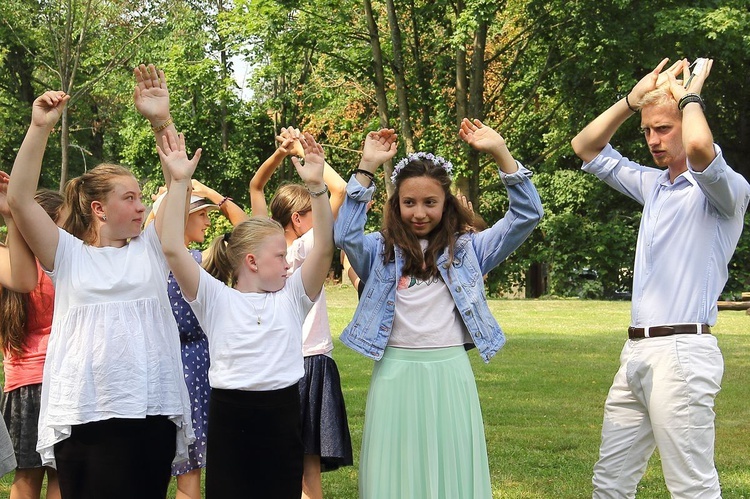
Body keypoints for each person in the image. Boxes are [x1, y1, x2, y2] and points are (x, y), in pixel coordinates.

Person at [571, 57, 750, 498]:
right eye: (648, 130)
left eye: (664, 128)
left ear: (687, 122)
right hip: (635, 352)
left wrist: (689, 96)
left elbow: (703, 151)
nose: (653, 139)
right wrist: (633, 101)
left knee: (691, 486)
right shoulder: (653, 185)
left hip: (683, 353)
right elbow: (586, 147)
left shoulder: (727, 190)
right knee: (610, 483)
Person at [335, 120, 544, 498]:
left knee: (451, 469)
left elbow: (526, 215)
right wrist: (366, 168)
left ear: (445, 204)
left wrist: (502, 153)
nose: (419, 212)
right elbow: (344, 234)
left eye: (430, 202)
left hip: (450, 373)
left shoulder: (469, 251)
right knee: (395, 473)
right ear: (396, 206)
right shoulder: (377, 251)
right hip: (395, 373)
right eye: (409, 202)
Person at [7, 90, 193, 499]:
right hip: (85, 414)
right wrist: (40, 127)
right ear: (99, 209)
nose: (142, 207)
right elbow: (19, 200)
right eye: (130, 198)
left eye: (142, 197)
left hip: (152, 410)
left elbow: (177, 178)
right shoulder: (68, 255)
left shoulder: (154, 249)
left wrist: (161, 121)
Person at [157, 128, 334, 498]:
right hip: (230, 419)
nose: (288, 265)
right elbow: (172, 246)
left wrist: (317, 188)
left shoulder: (292, 297)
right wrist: (179, 182)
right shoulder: (214, 298)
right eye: (280, 257)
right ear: (251, 261)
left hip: (282, 416)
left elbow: (323, 250)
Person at [250, 127, 353, 499]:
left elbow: (255, 189)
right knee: (309, 475)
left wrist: (281, 154)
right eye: (312, 213)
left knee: (279, 465)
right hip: (309, 364)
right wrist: (307, 159)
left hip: (273, 363)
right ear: (298, 219)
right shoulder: (306, 247)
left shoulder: (264, 248)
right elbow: (341, 191)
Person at [0, 175, 62, 499]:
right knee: (61, 476)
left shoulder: (9, 265)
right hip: (56, 381)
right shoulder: (55, 266)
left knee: (25, 479)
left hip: (20, 384)